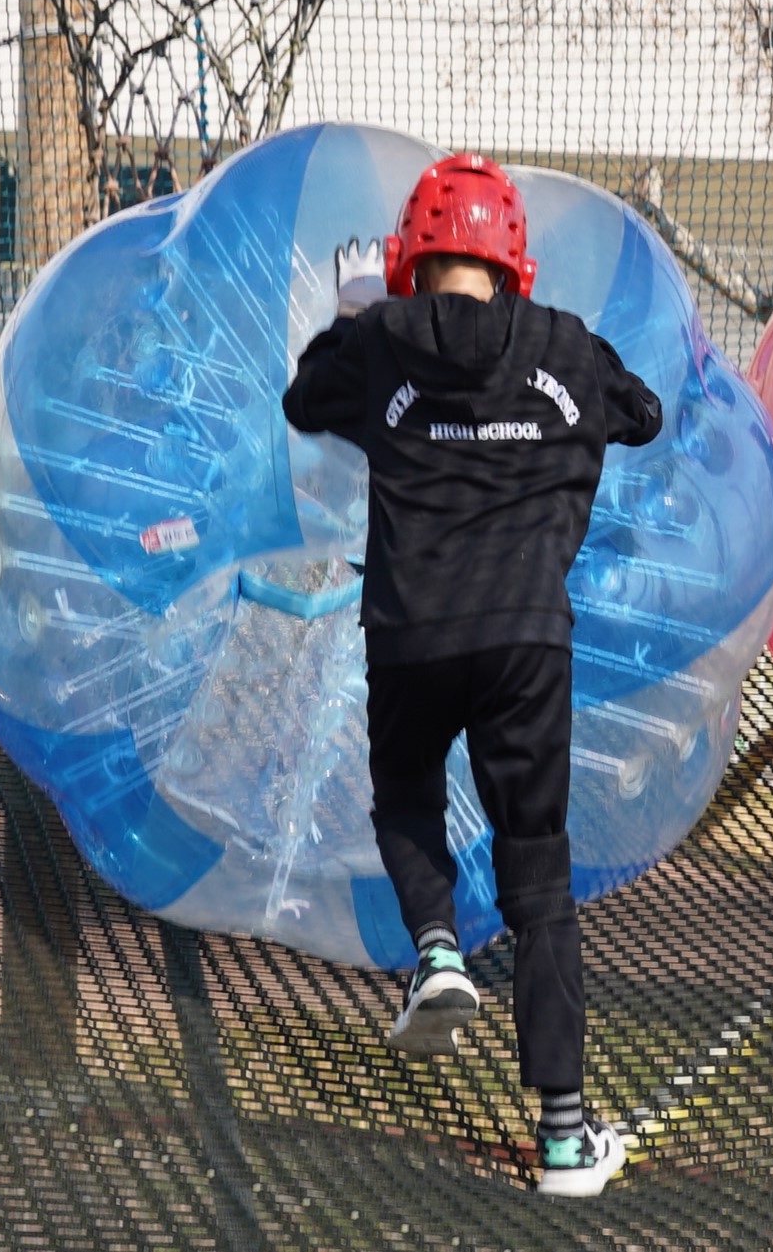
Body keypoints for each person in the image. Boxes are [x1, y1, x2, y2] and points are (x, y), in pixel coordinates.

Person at [282, 152, 662, 1198]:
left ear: (412, 254)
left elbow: (302, 399)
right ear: (515, 261)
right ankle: (563, 1140)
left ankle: (438, 951)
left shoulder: (377, 343)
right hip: (527, 643)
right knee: (537, 870)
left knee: (406, 797)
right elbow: (644, 413)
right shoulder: (566, 350)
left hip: (409, 628)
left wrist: (361, 315)